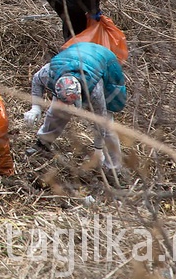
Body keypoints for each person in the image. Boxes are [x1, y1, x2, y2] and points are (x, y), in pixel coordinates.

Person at [23, 41, 127, 178]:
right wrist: (35, 108)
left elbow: (100, 122)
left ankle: (114, 170)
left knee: (107, 125)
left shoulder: (95, 90)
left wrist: (98, 149)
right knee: (57, 111)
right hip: (76, 51)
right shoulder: (50, 73)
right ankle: (43, 143)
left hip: (105, 61)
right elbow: (36, 80)